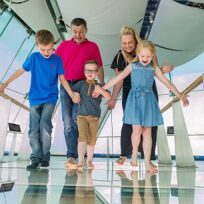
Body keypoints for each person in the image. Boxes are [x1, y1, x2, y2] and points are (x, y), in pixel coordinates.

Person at [102, 40, 189, 173]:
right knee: (136, 130)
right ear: (138, 54)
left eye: (148, 56)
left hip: (148, 100)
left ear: (153, 55)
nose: (145, 59)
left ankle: (147, 162)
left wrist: (180, 95)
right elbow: (117, 79)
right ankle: (134, 155)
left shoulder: (154, 68)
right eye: (143, 56)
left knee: (147, 131)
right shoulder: (132, 66)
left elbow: (167, 83)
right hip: (135, 100)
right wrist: (102, 88)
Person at [0, 30, 79, 170]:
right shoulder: (34, 58)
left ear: (52, 46)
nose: (47, 53)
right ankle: (35, 157)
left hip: (50, 98)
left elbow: (62, 80)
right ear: (37, 45)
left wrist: (72, 94)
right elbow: (20, 71)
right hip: (35, 98)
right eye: (43, 49)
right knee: (33, 129)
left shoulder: (57, 60)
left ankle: (45, 155)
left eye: (49, 49)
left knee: (45, 125)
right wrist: (6, 83)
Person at [108, 26, 174, 165]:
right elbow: (118, 80)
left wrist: (163, 69)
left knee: (149, 126)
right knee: (130, 123)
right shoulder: (120, 56)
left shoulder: (147, 50)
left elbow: (154, 70)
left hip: (149, 91)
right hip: (130, 92)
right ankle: (126, 154)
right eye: (124, 43)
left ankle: (148, 158)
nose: (127, 46)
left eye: (130, 42)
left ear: (135, 40)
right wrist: (113, 98)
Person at [55, 18, 104, 168]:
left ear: (86, 30)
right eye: (75, 31)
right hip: (66, 86)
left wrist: (100, 87)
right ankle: (71, 156)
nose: (78, 34)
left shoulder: (93, 46)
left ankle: (76, 156)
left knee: (77, 120)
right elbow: (55, 65)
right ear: (71, 31)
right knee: (67, 121)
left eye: (81, 31)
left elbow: (100, 67)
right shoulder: (64, 46)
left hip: (82, 87)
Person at [71, 60, 111, 169]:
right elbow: (72, 91)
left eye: (93, 71)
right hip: (81, 116)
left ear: (97, 72)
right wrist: (75, 94)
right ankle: (80, 161)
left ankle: (89, 160)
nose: (90, 73)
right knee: (82, 137)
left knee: (92, 139)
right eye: (88, 70)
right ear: (84, 72)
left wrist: (101, 90)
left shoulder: (99, 86)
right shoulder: (80, 84)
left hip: (94, 118)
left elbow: (109, 97)